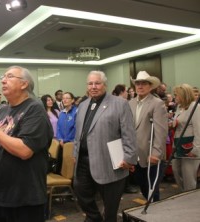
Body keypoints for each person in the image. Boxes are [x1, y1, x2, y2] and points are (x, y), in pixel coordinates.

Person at [0, 66, 53, 222]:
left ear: (24, 84)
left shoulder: (35, 109)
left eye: (9, 77)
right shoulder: (3, 110)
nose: (3, 80)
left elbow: (25, 150)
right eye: (3, 77)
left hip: (24, 199)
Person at [73, 70, 137, 222]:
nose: (93, 86)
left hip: (110, 162)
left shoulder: (119, 103)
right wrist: (75, 153)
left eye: (97, 83)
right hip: (83, 162)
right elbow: (79, 133)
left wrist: (129, 158)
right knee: (81, 192)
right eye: (90, 83)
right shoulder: (82, 105)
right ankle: (94, 218)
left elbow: (129, 133)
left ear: (105, 85)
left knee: (110, 207)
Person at [129, 71, 168, 202]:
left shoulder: (157, 103)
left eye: (144, 83)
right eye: (137, 83)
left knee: (152, 191)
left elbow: (161, 132)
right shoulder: (131, 103)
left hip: (150, 154)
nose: (140, 86)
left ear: (150, 86)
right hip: (135, 155)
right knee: (144, 188)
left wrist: (156, 153)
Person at [171, 84, 200, 191]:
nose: (175, 97)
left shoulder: (195, 107)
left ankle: (189, 197)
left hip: (190, 146)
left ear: (184, 95)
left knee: (188, 176)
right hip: (178, 145)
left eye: (176, 95)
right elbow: (179, 122)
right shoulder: (179, 107)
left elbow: (199, 129)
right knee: (176, 170)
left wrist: (196, 149)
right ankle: (184, 194)